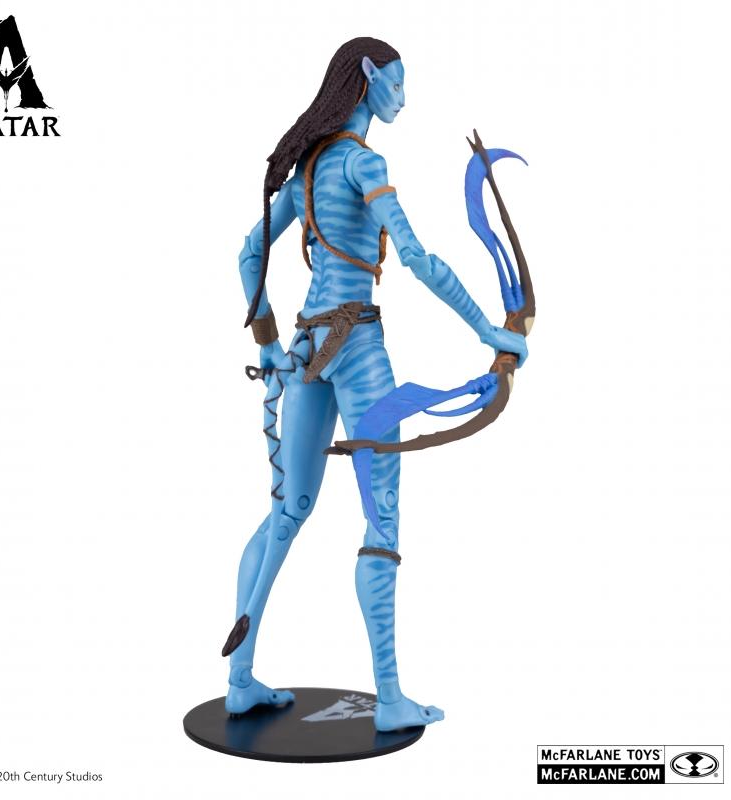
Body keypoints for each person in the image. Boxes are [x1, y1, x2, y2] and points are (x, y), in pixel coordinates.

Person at [224, 37, 527, 732]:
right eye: (397, 82)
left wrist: (269, 343)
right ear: (368, 77)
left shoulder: (310, 169)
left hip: (306, 347)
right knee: (380, 522)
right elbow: (416, 257)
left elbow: (248, 252)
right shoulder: (364, 162)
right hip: (357, 345)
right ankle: (389, 700)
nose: (403, 98)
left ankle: (239, 682)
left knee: (287, 512)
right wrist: (489, 330)